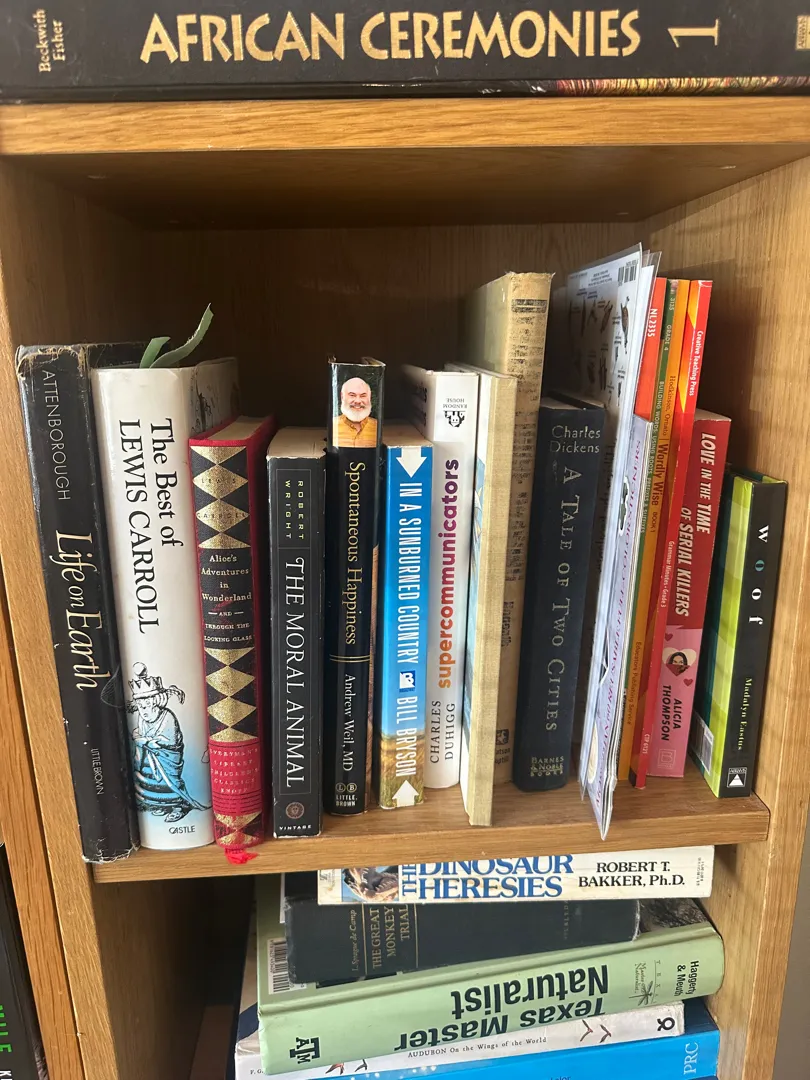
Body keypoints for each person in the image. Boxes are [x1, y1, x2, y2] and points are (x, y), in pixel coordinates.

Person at [127, 662, 209, 822]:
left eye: (147, 705)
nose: (144, 710)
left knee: (170, 783)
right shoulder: (142, 718)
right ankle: (162, 805)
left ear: (155, 702)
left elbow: (170, 740)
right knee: (152, 782)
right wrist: (141, 739)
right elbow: (140, 733)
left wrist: (147, 742)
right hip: (150, 757)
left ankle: (179, 806)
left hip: (166, 757)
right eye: (141, 706)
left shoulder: (167, 716)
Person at [334, 376, 378, 448]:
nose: (358, 401)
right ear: (342, 397)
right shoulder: (332, 426)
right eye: (352, 395)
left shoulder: (377, 427)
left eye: (363, 396)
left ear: (369, 397)